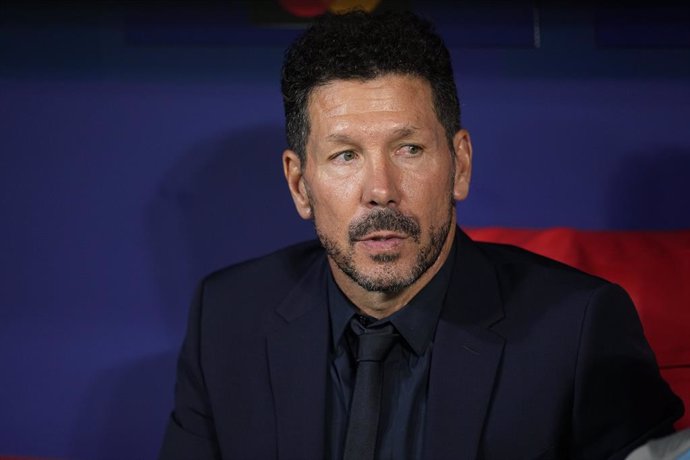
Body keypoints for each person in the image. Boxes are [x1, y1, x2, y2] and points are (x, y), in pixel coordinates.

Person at [158, 10, 683, 460]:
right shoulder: (227, 319)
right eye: (345, 156)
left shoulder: (580, 330)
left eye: (409, 149)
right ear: (300, 184)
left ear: (459, 166)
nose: (381, 191)